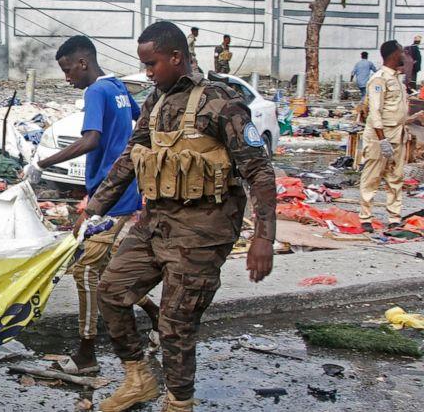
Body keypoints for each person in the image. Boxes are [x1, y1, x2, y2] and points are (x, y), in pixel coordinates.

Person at [81, 21, 276, 412]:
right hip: (156, 223)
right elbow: (130, 158)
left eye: (152, 64)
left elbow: (260, 171)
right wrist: (94, 208)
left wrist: (263, 238)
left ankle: (179, 403)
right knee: (112, 291)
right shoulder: (156, 101)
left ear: (176, 57)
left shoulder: (221, 102)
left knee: (176, 323)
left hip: (204, 231)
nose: (148, 72)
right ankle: (139, 378)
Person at [19, 35, 159, 375]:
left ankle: (86, 354)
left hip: (110, 198)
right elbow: (141, 119)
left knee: (83, 271)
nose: (67, 78)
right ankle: (156, 317)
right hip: (119, 190)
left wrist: (41, 162)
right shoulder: (117, 86)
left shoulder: (95, 91)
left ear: (83, 62)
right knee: (106, 270)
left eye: (68, 70)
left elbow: (90, 139)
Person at [360, 41, 410, 232]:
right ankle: (366, 218)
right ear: (394, 54)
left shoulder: (397, 78)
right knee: (372, 176)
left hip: (398, 134)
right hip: (380, 136)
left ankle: (394, 217)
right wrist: (382, 140)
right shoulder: (379, 79)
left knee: (395, 177)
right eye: (402, 52)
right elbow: (375, 111)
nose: (404, 55)